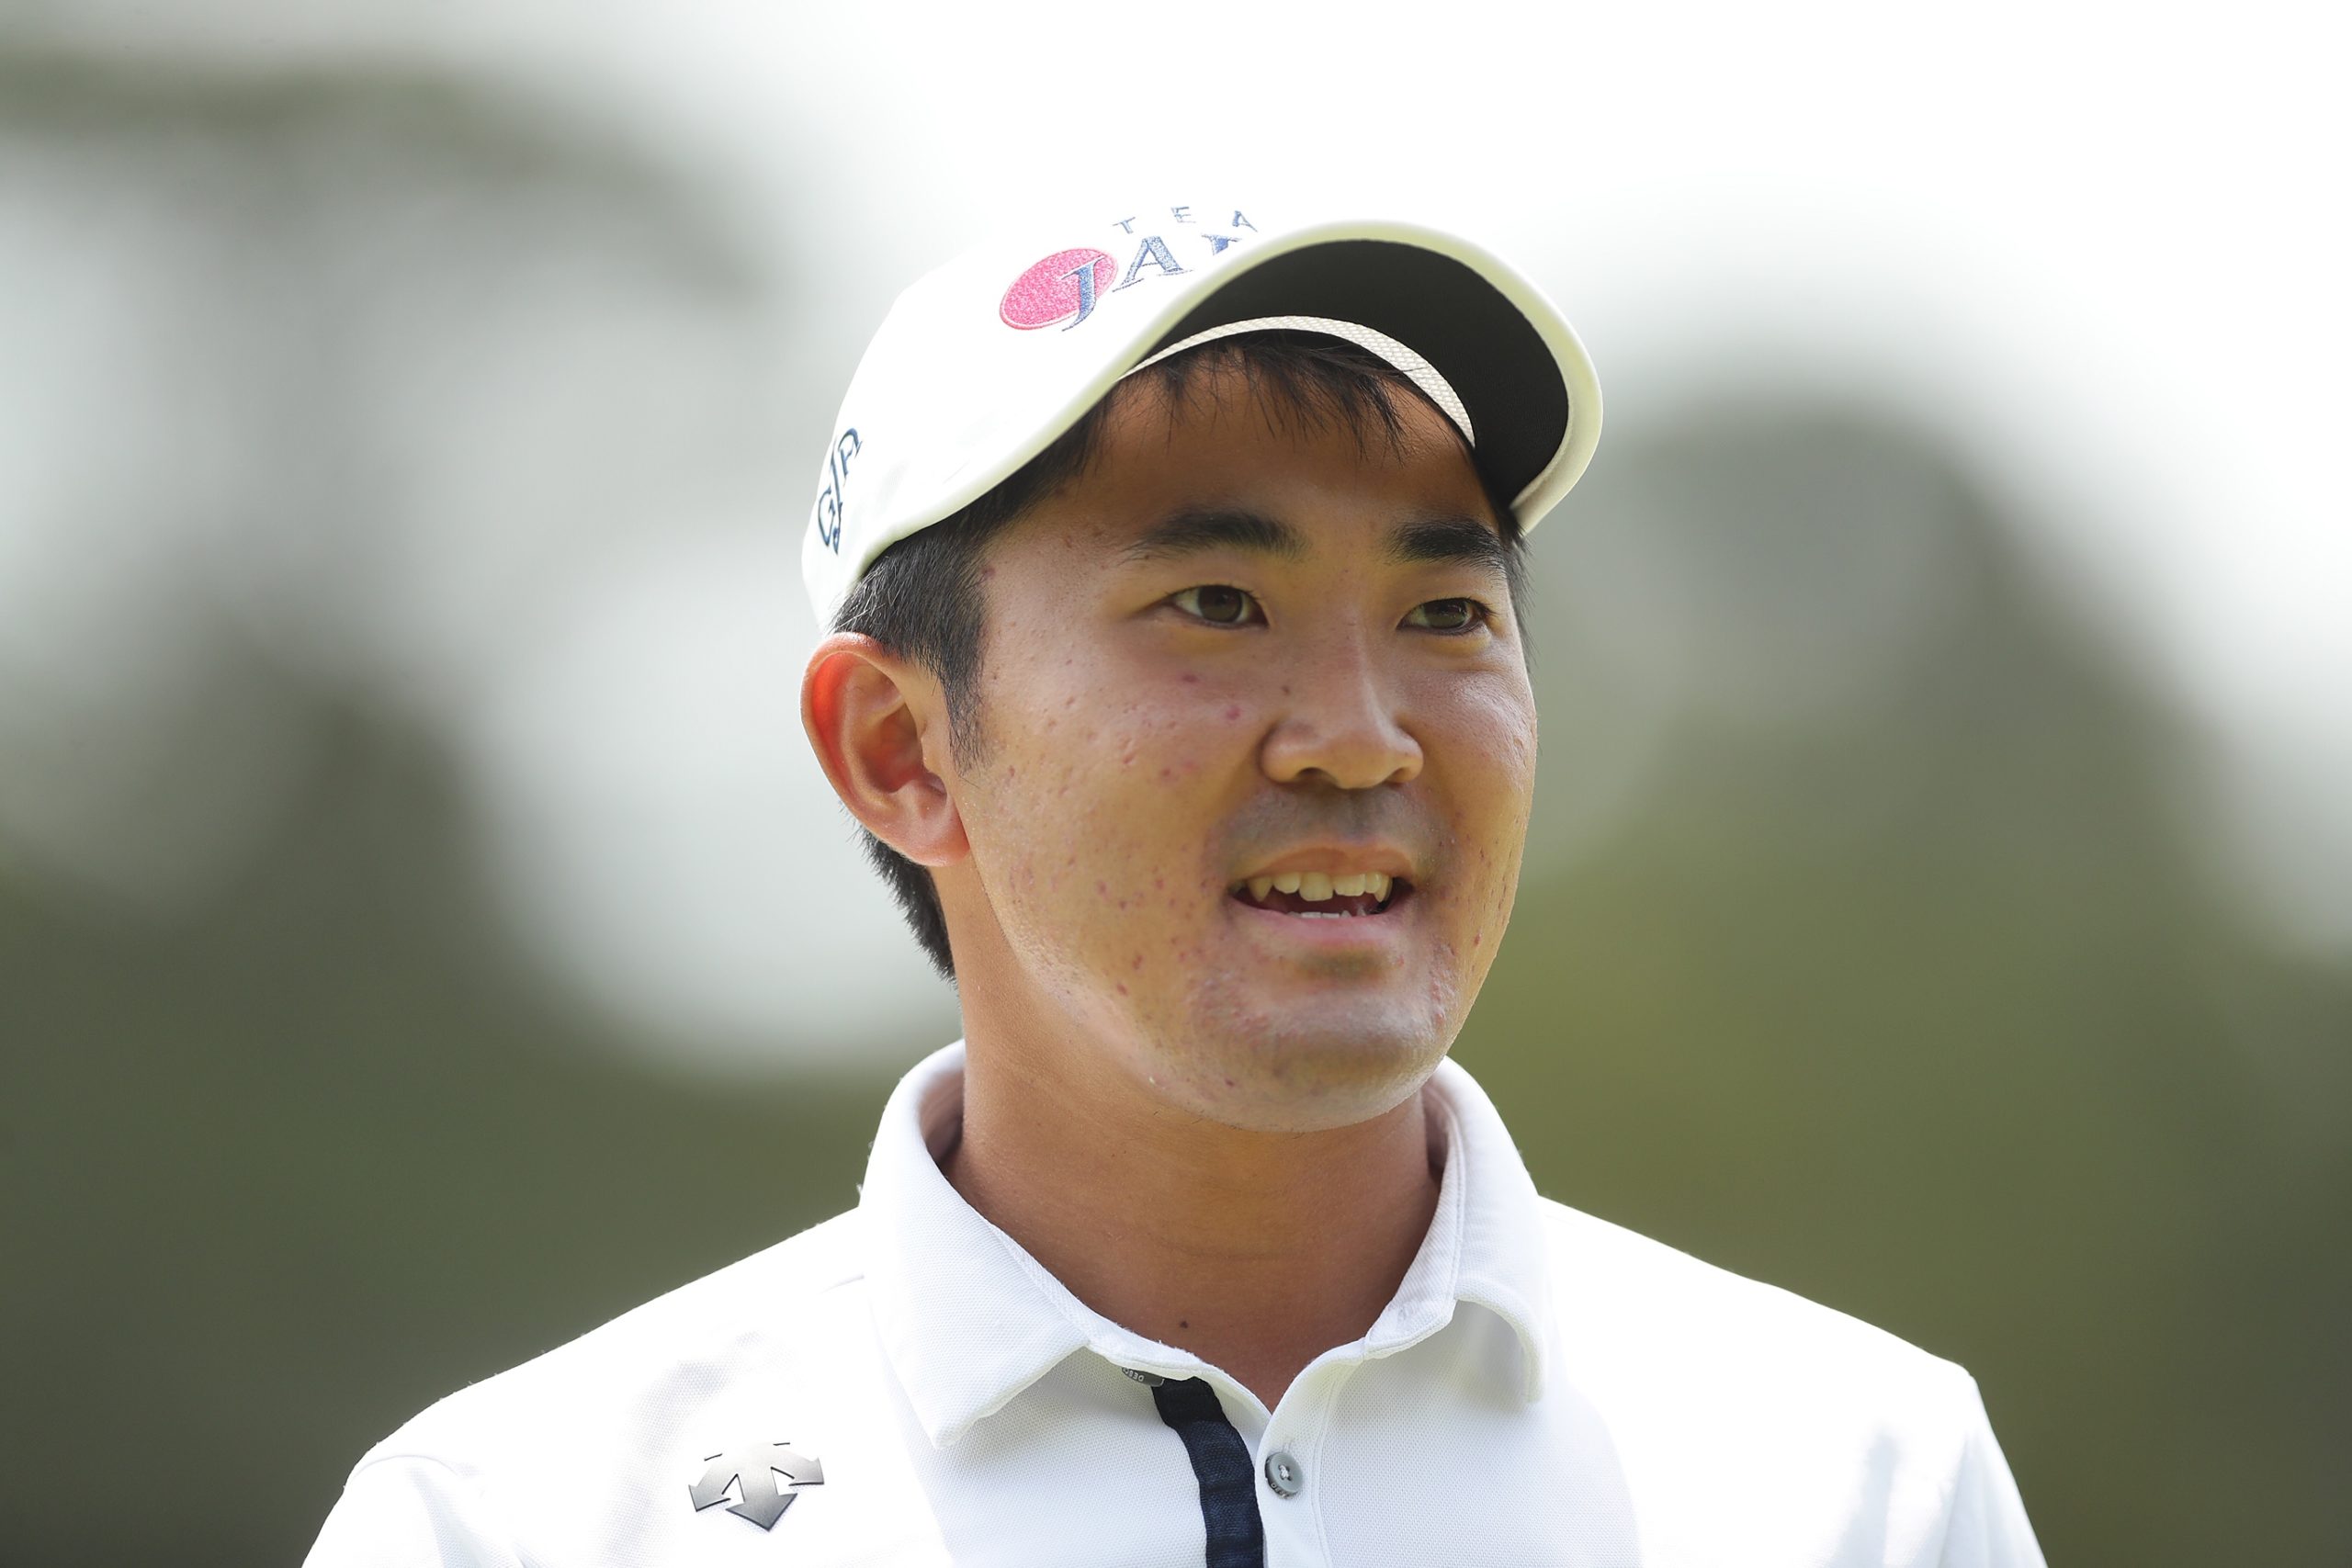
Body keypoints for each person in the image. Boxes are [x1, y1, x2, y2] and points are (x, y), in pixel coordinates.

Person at [305, 200, 2045, 1566]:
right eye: (1218, 604)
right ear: (904, 751)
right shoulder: (518, 1526)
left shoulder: (1862, 1483)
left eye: (1446, 615)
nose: (1362, 740)